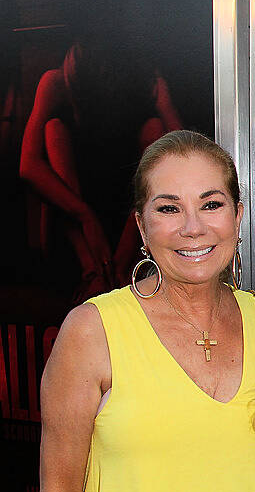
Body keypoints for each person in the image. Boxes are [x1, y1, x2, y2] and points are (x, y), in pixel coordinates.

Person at [36, 130, 255, 492]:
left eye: (211, 204)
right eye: (169, 208)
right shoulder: (93, 331)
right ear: (141, 226)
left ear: (238, 217)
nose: (193, 228)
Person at [20, 38, 182, 300]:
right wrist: (85, 217)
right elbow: (28, 166)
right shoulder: (57, 82)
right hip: (74, 221)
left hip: (130, 214)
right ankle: (92, 271)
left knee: (156, 133)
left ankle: (119, 270)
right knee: (54, 132)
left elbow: (184, 156)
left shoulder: (142, 80)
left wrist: (126, 245)